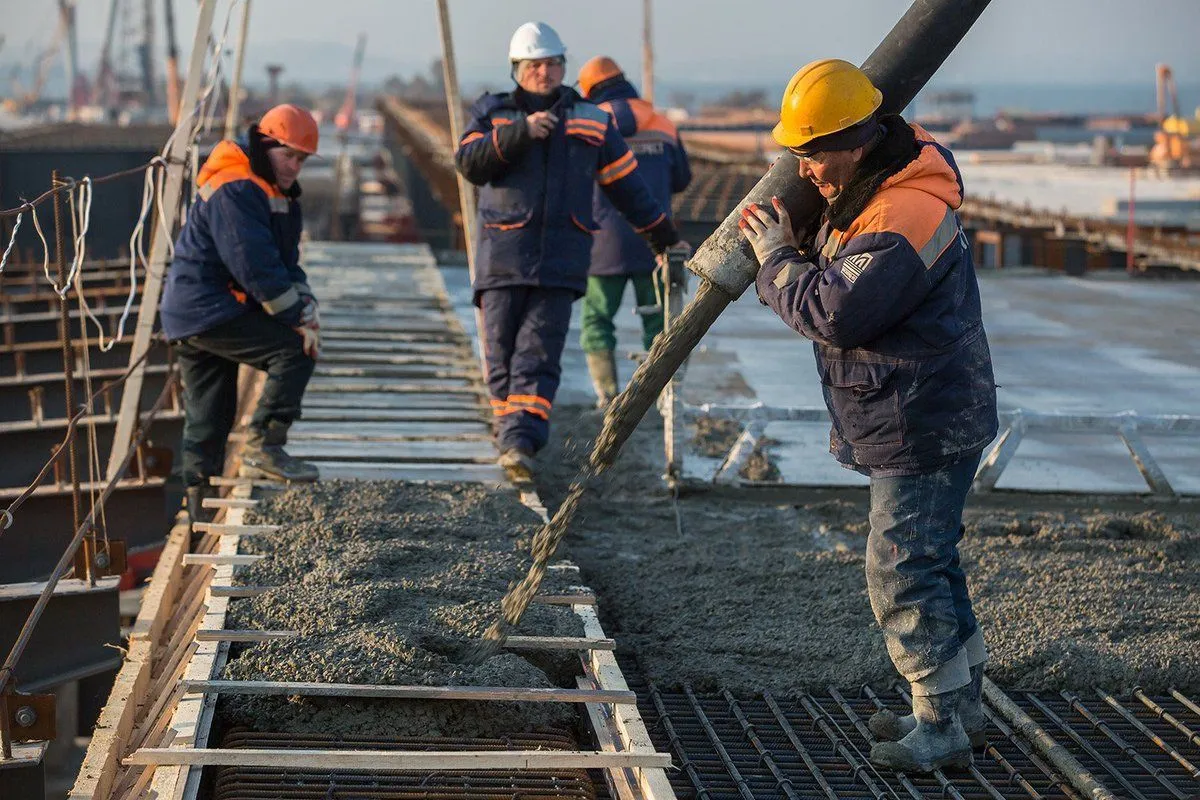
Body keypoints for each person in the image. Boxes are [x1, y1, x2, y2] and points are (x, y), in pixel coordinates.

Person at [738, 59, 999, 774]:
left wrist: (776, 262)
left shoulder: (900, 212)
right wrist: (808, 227)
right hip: (927, 407)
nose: (805, 168)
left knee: (900, 572)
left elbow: (837, 310)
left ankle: (941, 724)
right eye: (797, 153)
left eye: (815, 152)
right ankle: (961, 709)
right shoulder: (879, 182)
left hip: (920, 418)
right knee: (932, 562)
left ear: (857, 139)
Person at [455, 22, 679, 483]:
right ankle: (510, 431)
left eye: (553, 63)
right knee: (499, 355)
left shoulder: (593, 121)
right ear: (517, 69)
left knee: (537, 356)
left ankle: (521, 443)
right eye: (535, 65)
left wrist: (665, 238)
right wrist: (521, 133)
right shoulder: (492, 112)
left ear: (563, 66)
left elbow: (629, 189)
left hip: (560, 260)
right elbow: (469, 164)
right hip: (502, 257)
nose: (545, 72)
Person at [160, 103, 324, 522]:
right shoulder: (237, 187)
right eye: (289, 156)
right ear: (265, 146)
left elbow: (286, 263)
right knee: (294, 351)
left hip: (196, 311)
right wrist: (296, 322)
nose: (294, 167)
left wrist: (306, 303)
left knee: (209, 411)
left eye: (302, 160)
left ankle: (195, 505)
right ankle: (263, 447)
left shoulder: (276, 194)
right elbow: (254, 267)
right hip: (210, 307)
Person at [576, 56, 691, 407]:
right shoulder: (662, 124)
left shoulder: (589, 125)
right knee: (660, 320)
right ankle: (658, 396)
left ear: (589, 90)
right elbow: (682, 178)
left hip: (601, 243)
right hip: (655, 239)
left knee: (596, 318)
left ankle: (607, 395)